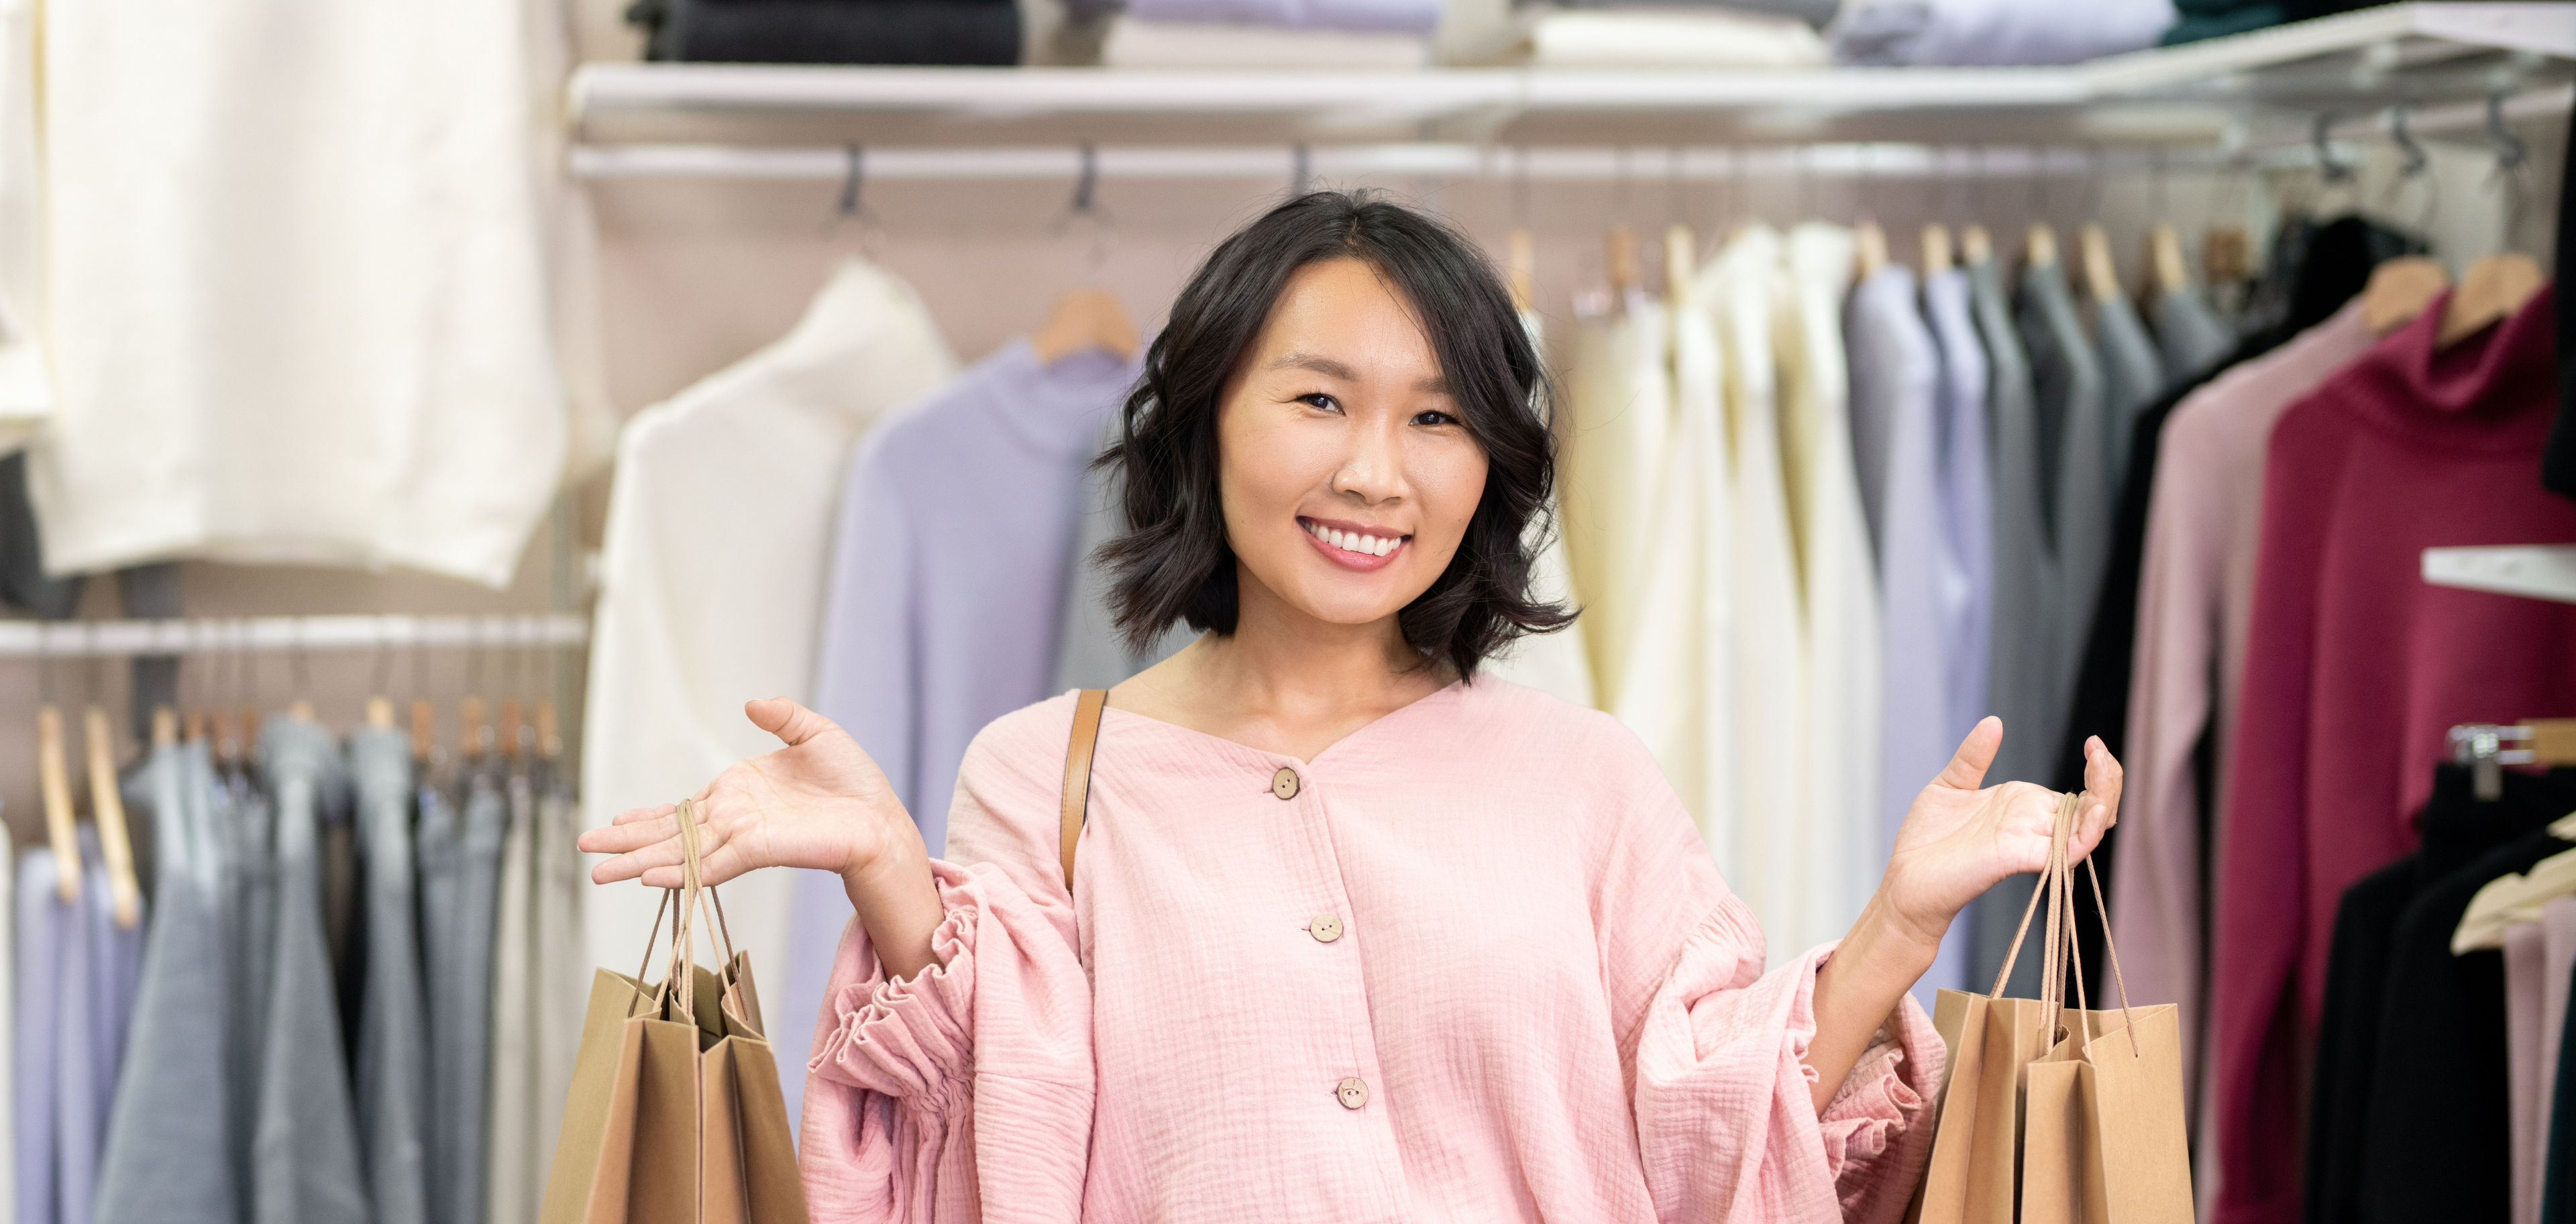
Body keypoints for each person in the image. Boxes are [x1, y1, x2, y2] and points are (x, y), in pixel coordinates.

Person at [580, 191, 2123, 1223]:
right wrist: (891, 877)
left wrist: (1898, 930)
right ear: (1205, 422)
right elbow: (999, 1137)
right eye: (1319, 400)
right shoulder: (1047, 772)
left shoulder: (1583, 777)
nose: (1377, 471)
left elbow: (1717, 1127)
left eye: (1438, 418)